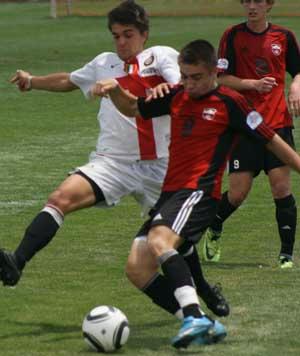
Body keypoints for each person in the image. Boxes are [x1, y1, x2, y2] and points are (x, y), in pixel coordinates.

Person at [0, 1, 228, 318]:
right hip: (113, 163)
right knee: (60, 197)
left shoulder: (160, 56)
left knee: (175, 241)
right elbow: (69, 80)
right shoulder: (103, 63)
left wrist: (168, 86)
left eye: (128, 35)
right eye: (116, 36)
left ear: (144, 34)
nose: (121, 42)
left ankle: (202, 289)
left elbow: (184, 84)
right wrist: (33, 80)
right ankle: (16, 262)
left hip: (161, 166)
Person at [90, 38, 300, 348]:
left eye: (196, 77)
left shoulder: (232, 103)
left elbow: (270, 140)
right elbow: (134, 107)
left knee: (159, 241)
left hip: (199, 192)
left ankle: (194, 317)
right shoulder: (176, 95)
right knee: (137, 269)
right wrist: (115, 91)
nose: (188, 84)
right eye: (184, 76)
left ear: (214, 71)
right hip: (171, 193)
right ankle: (205, 322)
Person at [202, 0, 300, 267]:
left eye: (258, 1)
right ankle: (215, 225)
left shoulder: (284, 36)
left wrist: (295, 87)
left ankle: (286, 255)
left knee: (281, 188)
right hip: (244, 124)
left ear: (269, 5)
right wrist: (253, 84)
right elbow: (220, 78)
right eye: (247, 1)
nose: (252, 6)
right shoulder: (232, 36)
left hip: (278, 123)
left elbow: (298, 70)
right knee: (237, 194)